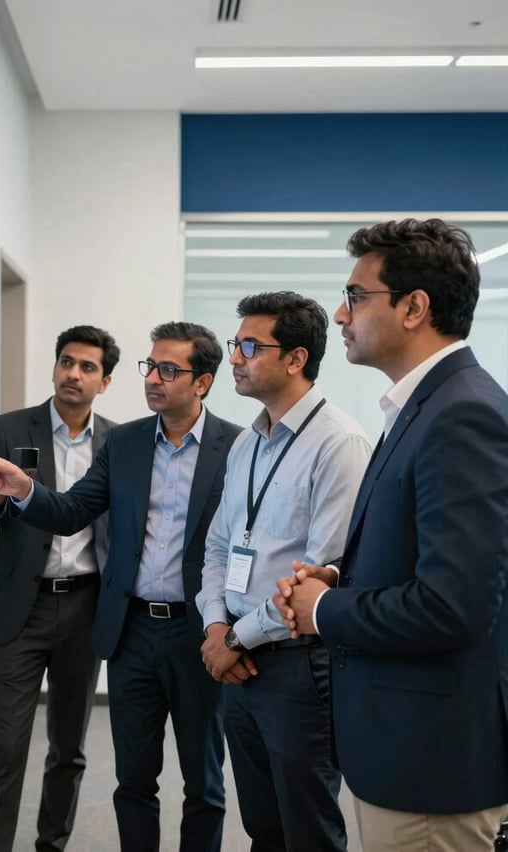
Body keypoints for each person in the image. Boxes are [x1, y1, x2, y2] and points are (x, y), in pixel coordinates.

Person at [0, 322, 242, 852]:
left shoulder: (238, 446)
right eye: (150, 366)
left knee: (203, 781)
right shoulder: (129, 442)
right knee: (133, 780)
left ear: (202, 383)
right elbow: (71, 511)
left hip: (199, 631)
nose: (154, 379)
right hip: (131, 631)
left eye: (168, 370)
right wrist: (25, 490)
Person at [274, 218, 508, 852]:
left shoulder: (461, 414)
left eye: (355, 296)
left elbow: (451, 606)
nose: (339, 313)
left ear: (414, 308)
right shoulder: (425, 405)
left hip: (431, 765)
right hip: (404, 748)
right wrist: (341, 579)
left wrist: (322, 608)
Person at [197, 291, 371, 852]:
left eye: (250, 346)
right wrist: (216, 628)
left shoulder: (338, 443)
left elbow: (319, 579)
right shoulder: (248, 442)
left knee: (309, 831)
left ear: (295, 359)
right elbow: (219, 547)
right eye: (235, 345)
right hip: (240, 664)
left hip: (299, 666)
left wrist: (237, 639)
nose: (235, 359)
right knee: (263, 828)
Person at [0, 324, 120, 852]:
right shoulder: (10, 429)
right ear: (55, 366)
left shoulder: (118, 442)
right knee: (6, 746)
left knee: (69, 747)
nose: (73, 373)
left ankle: (51, 843)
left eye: (88, 367)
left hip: (85, 607)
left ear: (106, 381)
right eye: (66, 362)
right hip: (18, 610)